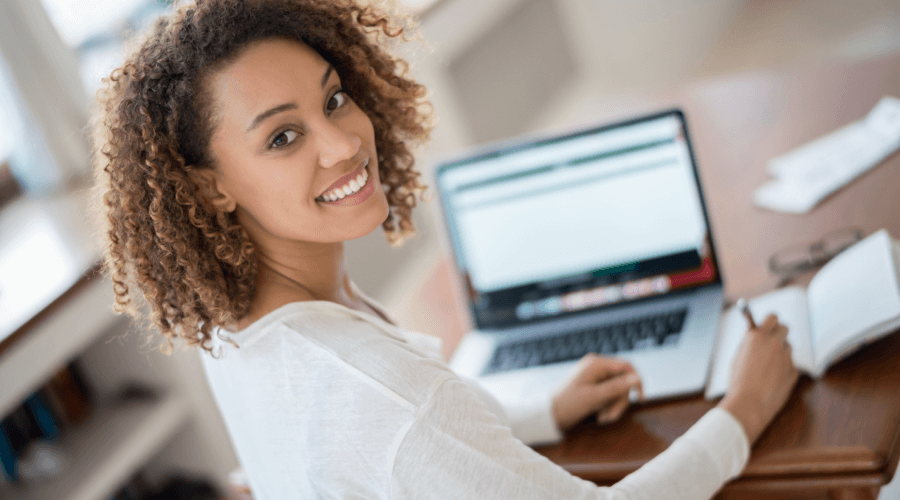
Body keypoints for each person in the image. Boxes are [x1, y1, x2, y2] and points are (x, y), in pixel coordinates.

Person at [91, 0, 800, 498]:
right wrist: (742, 410)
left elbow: (386, 460)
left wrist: (540, 413)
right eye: (282, 136)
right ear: (209, 188)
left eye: (334, 99)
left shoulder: (235, 328)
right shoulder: (385, 398)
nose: (343, 143)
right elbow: (401, 424)